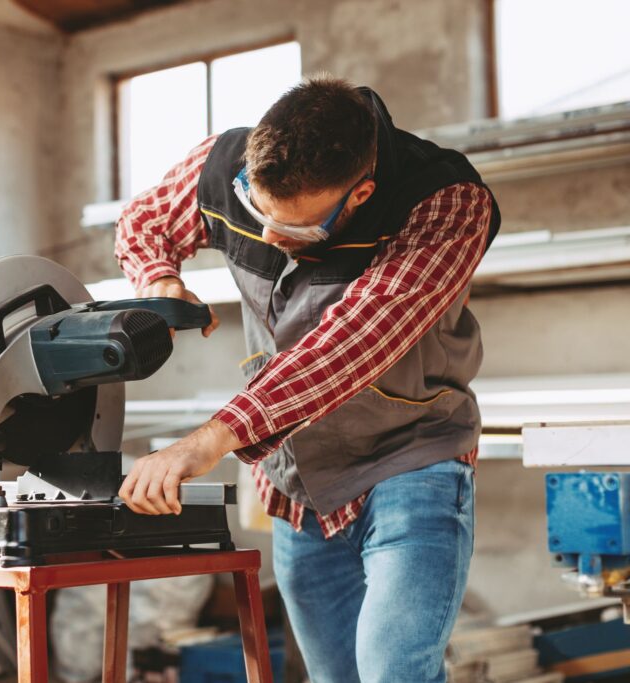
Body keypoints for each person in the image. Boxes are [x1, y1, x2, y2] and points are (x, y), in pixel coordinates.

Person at [115, 76, 500, 682]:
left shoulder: (446, 202)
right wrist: (157, 279)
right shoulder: (222, 163)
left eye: (295, 230)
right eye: (255, 210)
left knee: (393, 671)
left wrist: (212, 438)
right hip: (297, 488)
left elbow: (350, 345)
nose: (269, 238)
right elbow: (142, 222)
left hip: (411, 464)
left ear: (360, 193)